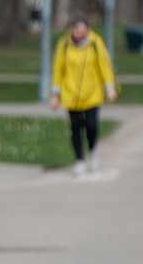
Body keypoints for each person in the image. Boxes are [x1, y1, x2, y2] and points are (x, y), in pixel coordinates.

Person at [49, 15, 117, 175]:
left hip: (92, 93)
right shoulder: (64, 45)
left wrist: (110, 87)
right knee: (75, 128)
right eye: (75, 28)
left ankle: (92, 151)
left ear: (86, 28)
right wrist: (54, 94)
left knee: (91, 125)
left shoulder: (95, 43)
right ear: (71, 29)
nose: (78, 32)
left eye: (81, 28)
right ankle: (79, 159)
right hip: (71, 94)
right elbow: (58, 70)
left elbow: (104, 65)